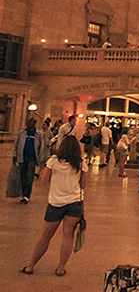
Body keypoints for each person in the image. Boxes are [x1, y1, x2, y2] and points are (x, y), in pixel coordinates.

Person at [20, 136, 88, 276]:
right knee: (68, 235)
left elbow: (44, 180)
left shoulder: (53, 161)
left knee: (45, 236)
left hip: (56, 203)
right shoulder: (81, 163)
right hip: (74, 202)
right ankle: (60, 268)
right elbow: (83, 185)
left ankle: (30, 265)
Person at [14, 117, 45, 204]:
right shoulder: (22, 133)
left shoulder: (38, 134)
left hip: (31, 158)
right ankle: (23, 192)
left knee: (29, 176)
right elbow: (16, 144)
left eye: (31, 122)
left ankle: (26, 195)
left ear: (35, 123)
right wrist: (15, 155)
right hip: (22, 157)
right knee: (22, 176)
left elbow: (41, 147)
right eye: (28, 121)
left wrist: (39, 159)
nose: (29, 123)